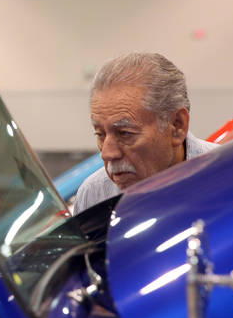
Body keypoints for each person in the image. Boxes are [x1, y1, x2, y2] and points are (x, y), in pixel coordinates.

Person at [72, 52, 218, 214]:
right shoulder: (94, 195)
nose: (107, 154)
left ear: (177, 126)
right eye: (100, 134)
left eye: (125, 133)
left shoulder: (232, 179)